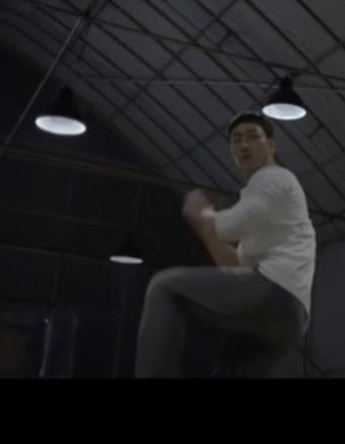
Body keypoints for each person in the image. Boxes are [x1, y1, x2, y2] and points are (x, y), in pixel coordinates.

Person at [135, 111, 315, 377]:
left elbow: (235, 222)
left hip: (276, 292)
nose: (244, 145)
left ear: (271, 145)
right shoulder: (269, 210)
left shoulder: (275, 177)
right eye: (236, 139)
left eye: (253, 137)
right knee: (234, 366)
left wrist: (204, 215)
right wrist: (206, 230)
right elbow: (236, 267)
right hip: (288, 321)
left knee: (165, 287)